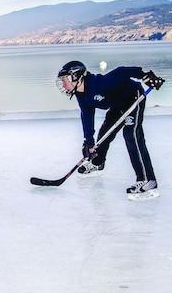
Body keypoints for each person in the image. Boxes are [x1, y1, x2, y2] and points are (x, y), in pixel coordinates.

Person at [56, 61, 165, 200]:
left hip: (133, 98)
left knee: (131, 135)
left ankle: (148, 180)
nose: (64, 85)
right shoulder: (80, 94)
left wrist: (144, 75)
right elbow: (87, 115)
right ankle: (97, 163)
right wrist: (88, 142)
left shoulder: (99, 83)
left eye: (65, 80)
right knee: (104, 136)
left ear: (76, 76)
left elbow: (121, 72)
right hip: (116, 105)